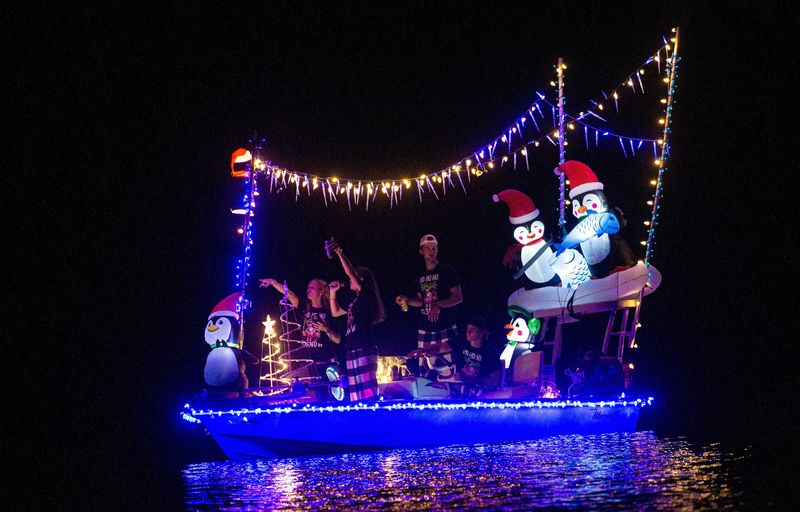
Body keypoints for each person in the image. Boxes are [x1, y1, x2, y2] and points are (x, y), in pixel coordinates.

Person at [395, 234, 462, 376]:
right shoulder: (419, 274)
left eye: (434, 248)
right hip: (425, 327)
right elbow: (420, 301)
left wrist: (438, 305)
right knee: (425, 370)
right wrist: (406, 299)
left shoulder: (446, 270)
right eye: (428, 249)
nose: (431, 252)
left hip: (445, 325)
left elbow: (458, 297)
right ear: (421, 251)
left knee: (448, 370)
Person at [327, 240, 386, 401]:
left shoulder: (366, 295)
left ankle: (372, 417)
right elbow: (336, 312)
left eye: (354, 276)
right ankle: (361, 419)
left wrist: (340, 253)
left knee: (367, 390)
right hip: (353, 346)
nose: (350, 279)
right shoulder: (355, 300)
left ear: (360, 279)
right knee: (356, 391)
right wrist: (332, 292)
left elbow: (350, 273)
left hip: (364, 346)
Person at [259, 278, 342, 367]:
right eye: (308, 287)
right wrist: (273, 283)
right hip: (307, 363)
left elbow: (338, 340)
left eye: (312, 287)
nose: (308, 290)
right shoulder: (304, 307)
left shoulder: (330, 311)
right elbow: (290, 295)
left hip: (326, 362)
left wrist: (326, 329)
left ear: (321, 292)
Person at [452, 315, 501, 396]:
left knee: (470, 392)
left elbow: (493, 382)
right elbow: (441, 348)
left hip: (481, 388)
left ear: (482, 333)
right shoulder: (462, 343)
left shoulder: (490, 351)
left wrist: (470, 379)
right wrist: (427, 350)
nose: (468, 332)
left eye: (473, 330)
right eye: (467, 329)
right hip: (463, 384)